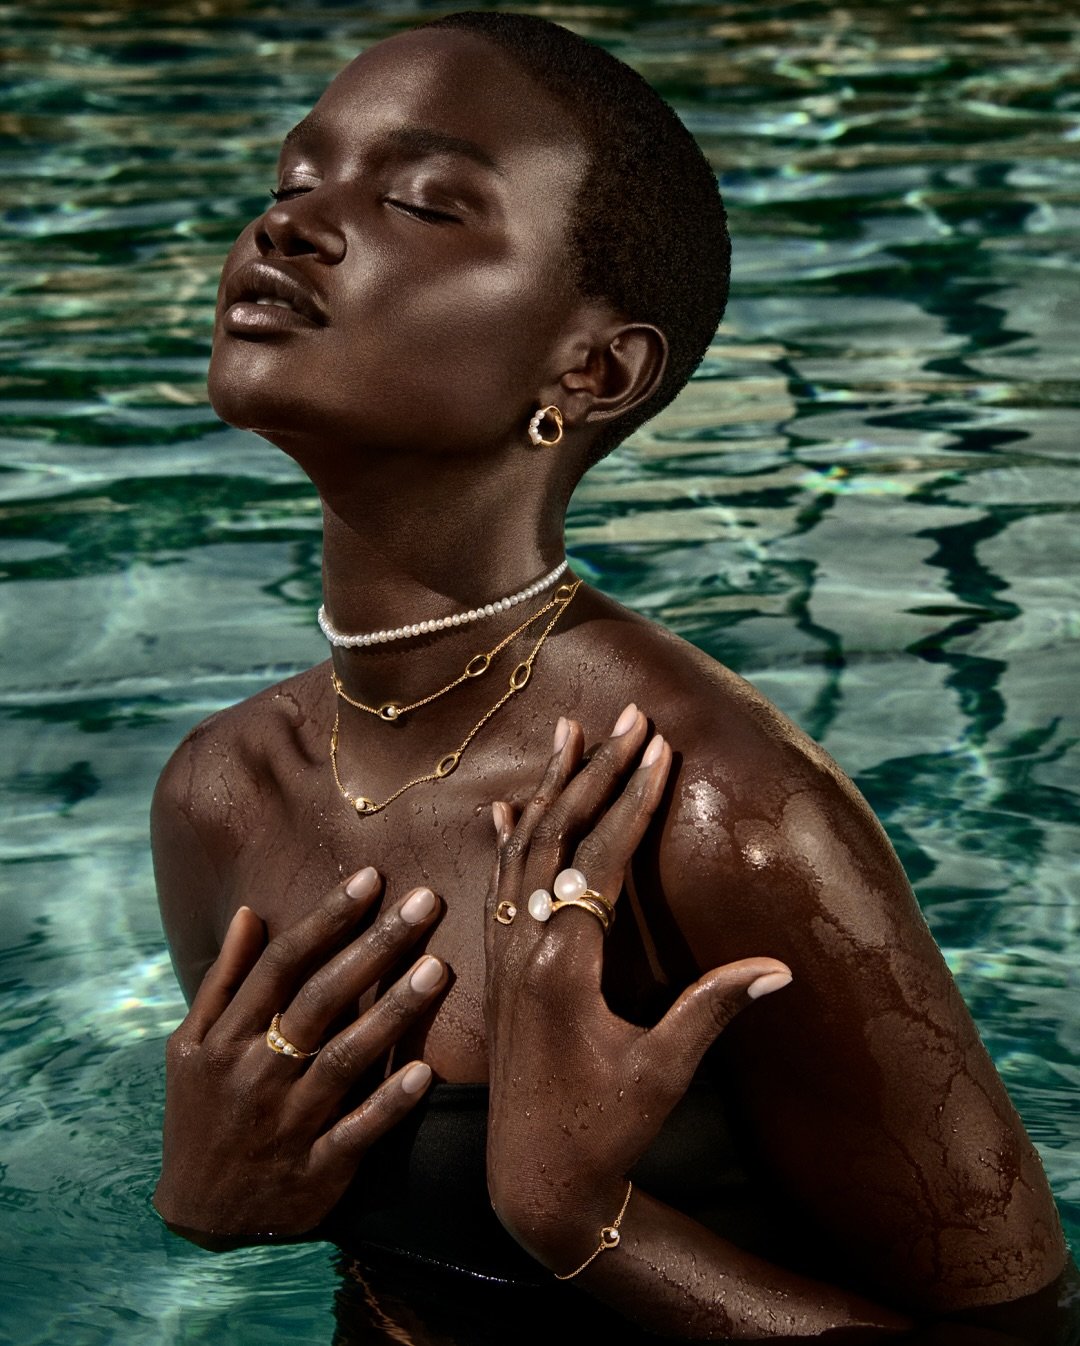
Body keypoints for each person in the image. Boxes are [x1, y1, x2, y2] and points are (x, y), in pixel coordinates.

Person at [150, 11, 1070, 1343]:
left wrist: (586, 1221)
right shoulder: (220, 798)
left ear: (591, 368)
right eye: (294, 181)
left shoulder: (715, 817)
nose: (286, 227)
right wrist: (207, 1205)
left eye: (420, 200)